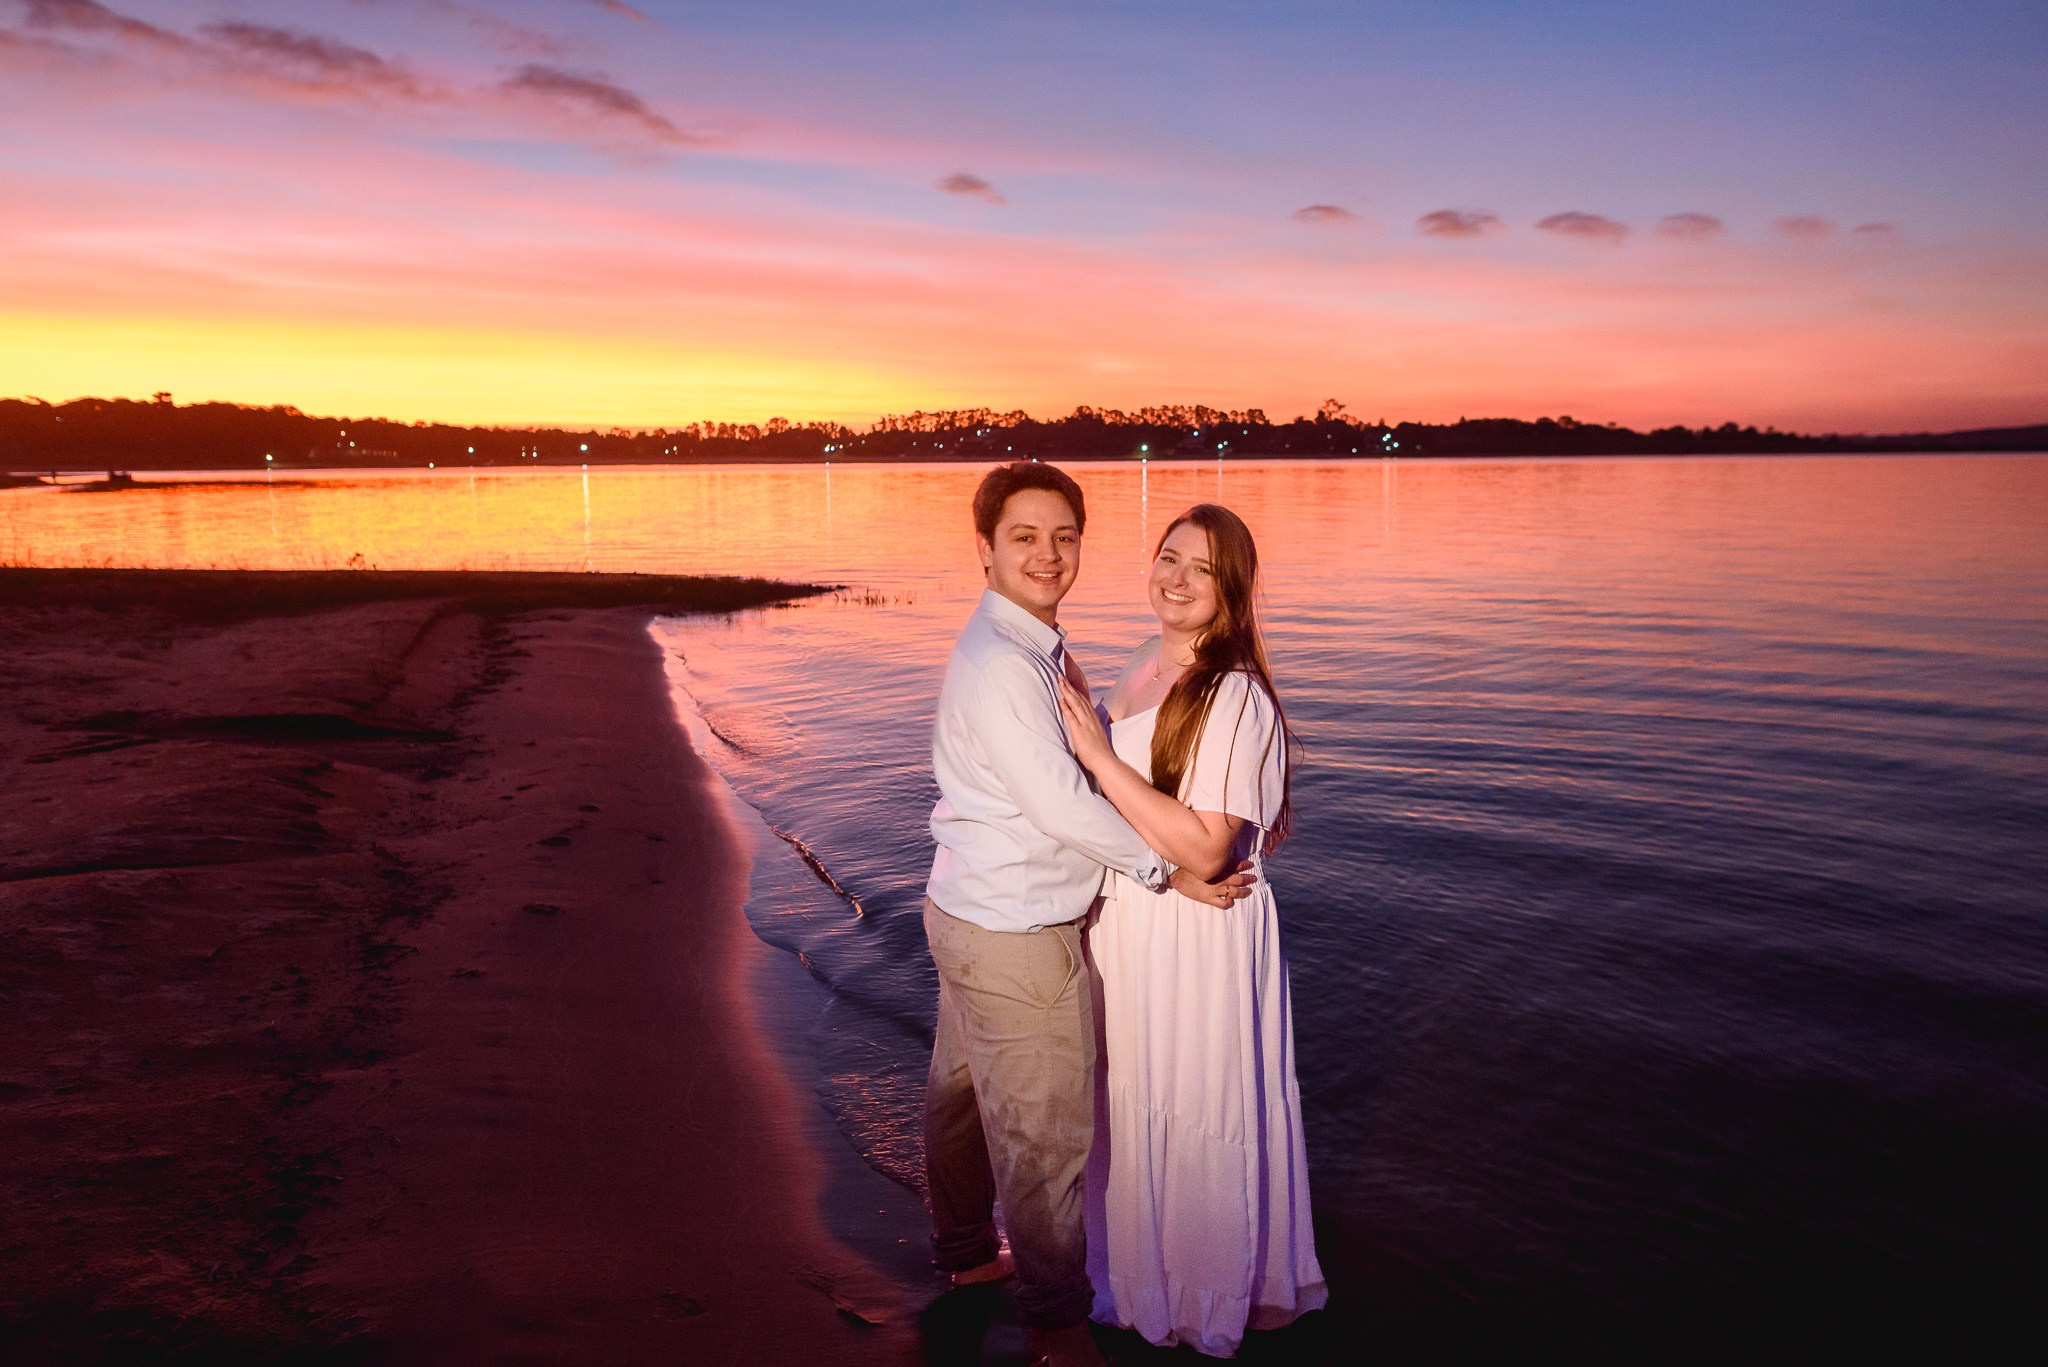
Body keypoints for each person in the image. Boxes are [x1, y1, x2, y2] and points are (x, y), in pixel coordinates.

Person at [924, 464, 1253, 1367]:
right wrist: (1167, 873)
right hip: (1017, 934)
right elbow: (1062, 807)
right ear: (984, 548)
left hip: (965, 903)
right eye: (1025, 536)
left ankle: (961, 1253)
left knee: (959, 1096)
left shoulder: (1029, 645)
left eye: (1064, 535)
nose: (1049, 553)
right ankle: (1060, 1330)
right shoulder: (1002, 663)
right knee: (1045, 1141)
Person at [1055, 503, 1327, 1357]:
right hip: (1132, 913)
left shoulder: (1235, 693)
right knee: (1128, 1097)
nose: (1174, 579)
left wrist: (1096, 755)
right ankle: (1134, 1275)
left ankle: (1201, 1288)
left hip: (1197, 932)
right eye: (1167, 557)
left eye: (1200, 569)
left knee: (1193, 1099)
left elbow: (1211, 850)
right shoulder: (1139, 661)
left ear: (1231, 589)